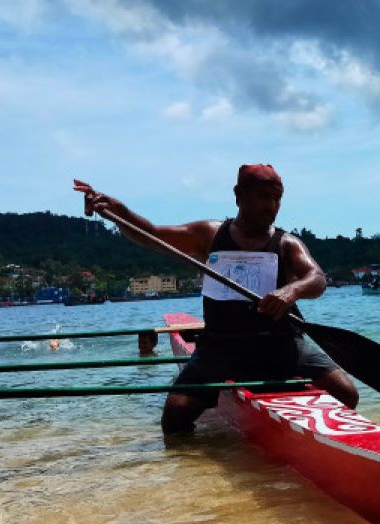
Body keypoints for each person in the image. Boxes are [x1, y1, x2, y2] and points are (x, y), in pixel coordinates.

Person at [75, 165, 358, 438]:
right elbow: (152, 236)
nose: (271, 206)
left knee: (347, 393)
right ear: (239, 196)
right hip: (220, 347)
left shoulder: (287, 244)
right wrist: (115, 212)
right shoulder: (209, 235)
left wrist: (291, 292)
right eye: (263, 197)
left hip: (280, 343)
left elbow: (317, 278)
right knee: (175, 416)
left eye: (277, 198)